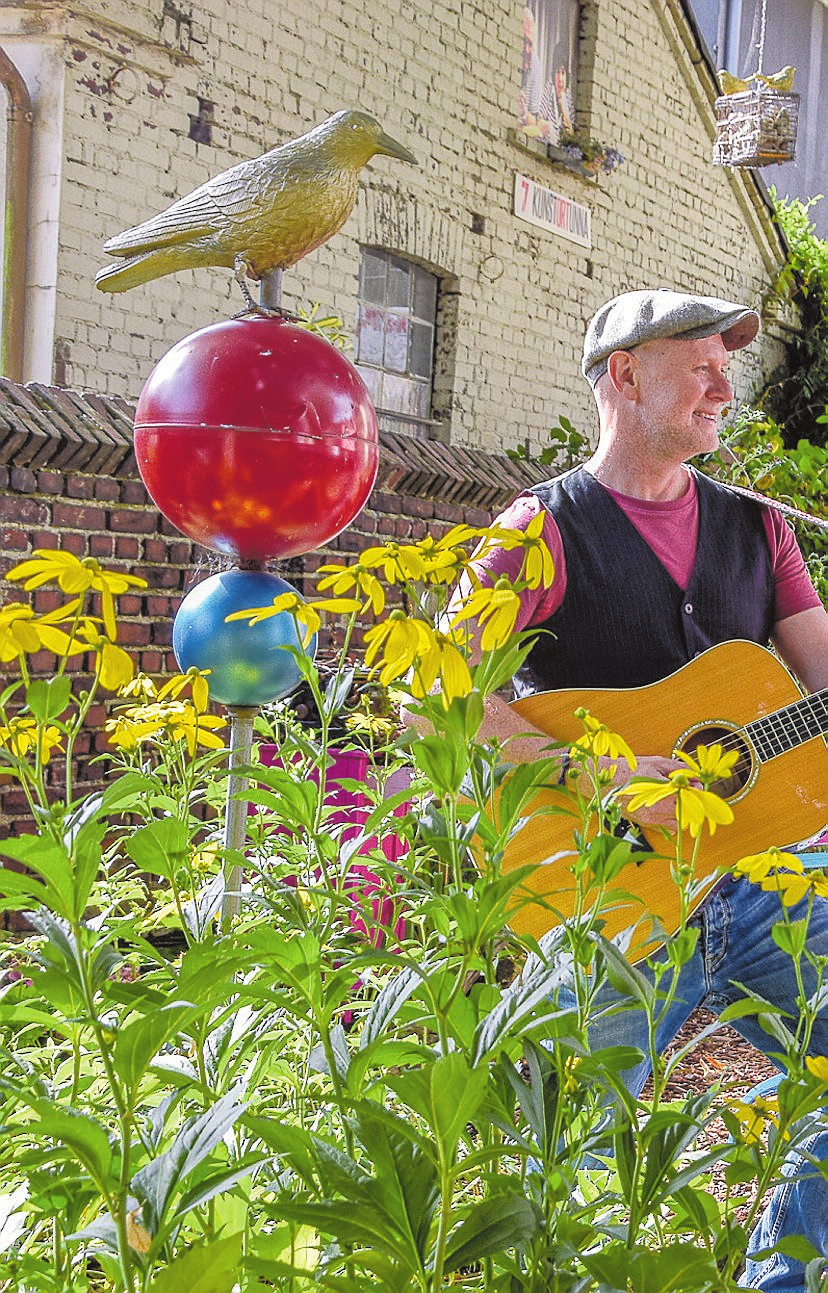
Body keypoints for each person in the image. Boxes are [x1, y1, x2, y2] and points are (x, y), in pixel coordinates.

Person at [441, 289, 828, 1291]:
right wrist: (606, 776)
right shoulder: (541, 528)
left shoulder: (760, 528)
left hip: (763, 887)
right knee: (550, 1157)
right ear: (623, 374)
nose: (724, 385)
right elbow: (440, 697)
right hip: (607, 900)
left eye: (724, 365)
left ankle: (776, 1281)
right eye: (698, 362)